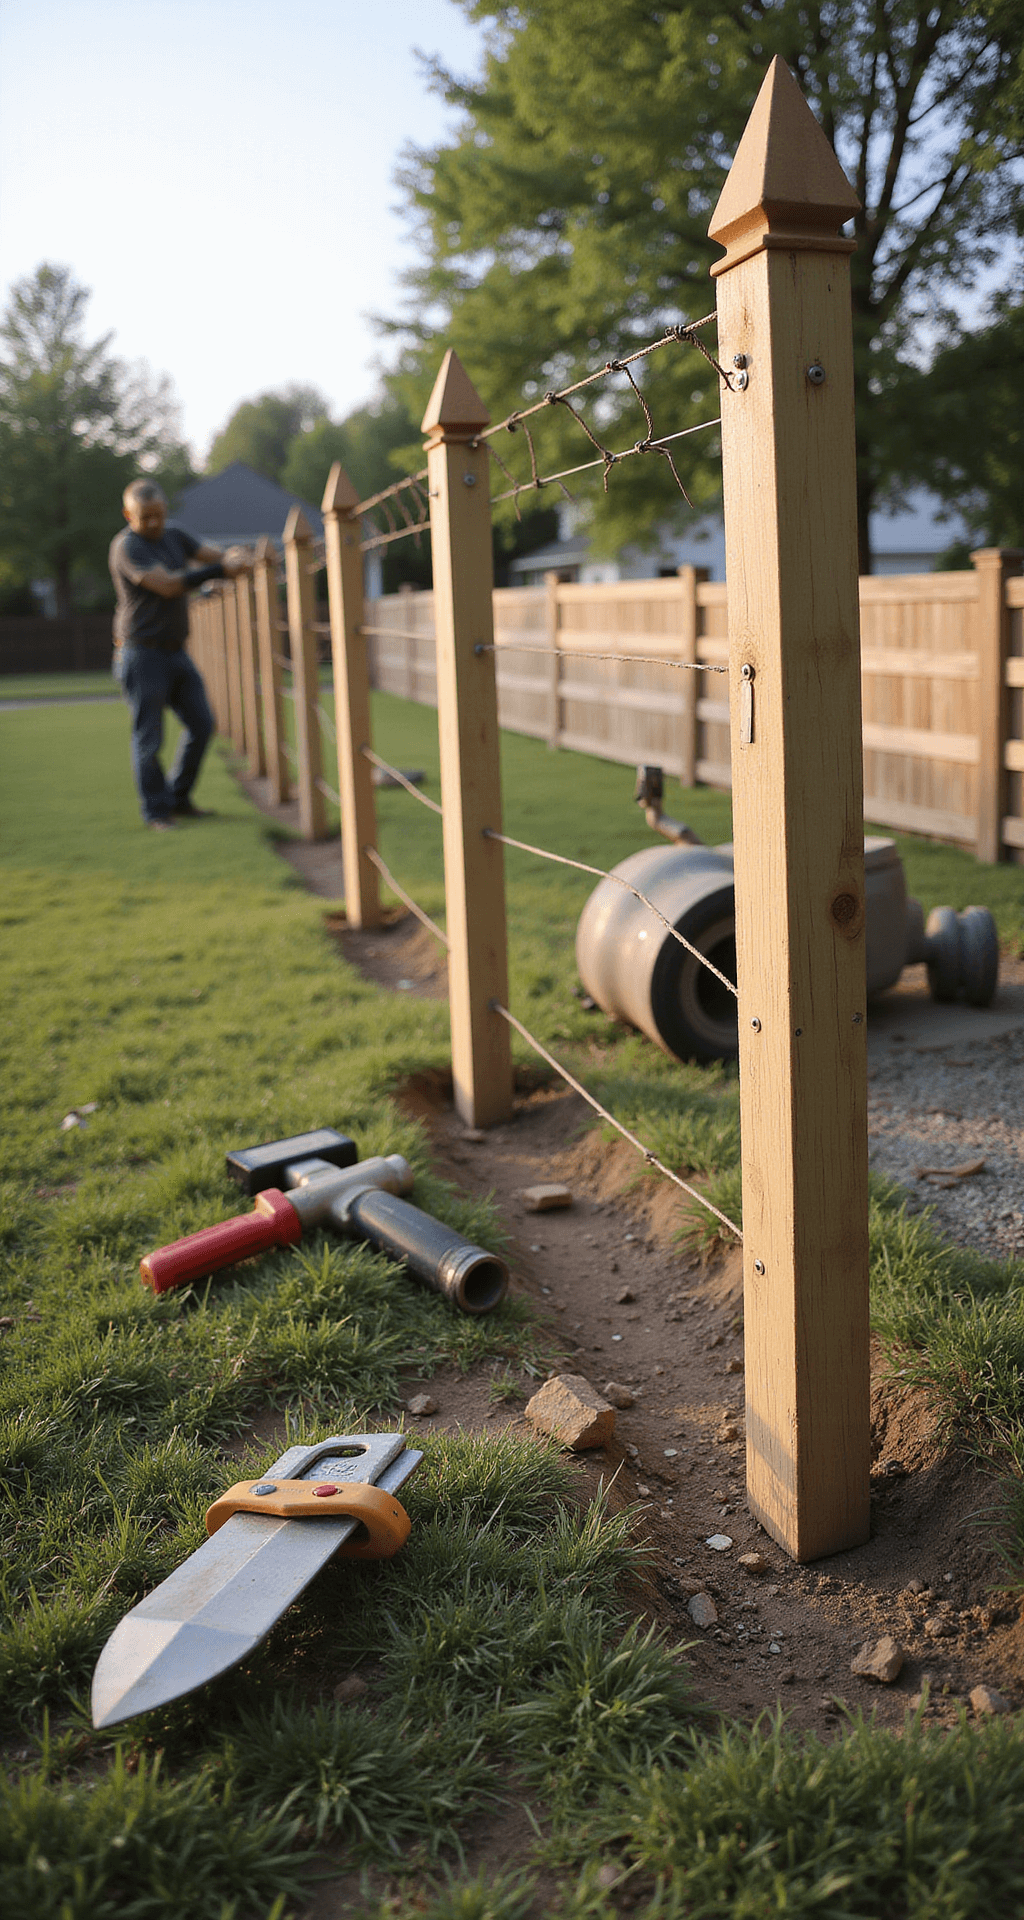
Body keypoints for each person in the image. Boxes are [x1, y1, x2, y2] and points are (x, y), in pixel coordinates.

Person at [109, 479, 252, 829]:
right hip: (141, 654)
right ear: (129, 514)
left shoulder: (175, 535)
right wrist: (220, 571)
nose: (154, 523)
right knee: (149, 738)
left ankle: (179, 798)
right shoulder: (128, 547)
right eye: (145, 517)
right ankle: (156, 812)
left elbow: (214, 554)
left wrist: (239, 556)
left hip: (175, 652)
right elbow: (168, 585)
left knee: (202, 725)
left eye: (158, 514)